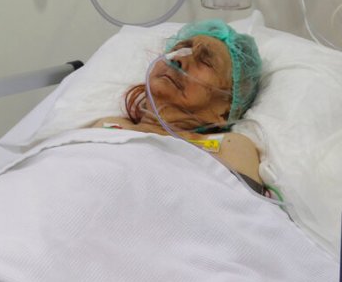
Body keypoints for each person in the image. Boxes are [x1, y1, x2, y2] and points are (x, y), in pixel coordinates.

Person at [90, 20, 266, 192]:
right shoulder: (110, 125)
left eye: (205, 62)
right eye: (178, 49)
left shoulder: (229, 146)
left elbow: (236, 213)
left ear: (226, 109)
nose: (179, 59)